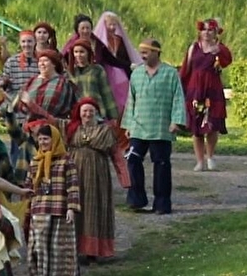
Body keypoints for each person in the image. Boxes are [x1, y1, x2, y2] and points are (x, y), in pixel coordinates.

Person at [124, 38, 187, 214]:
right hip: (139, 127)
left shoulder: (170, 73)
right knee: (132, 159)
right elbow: (131, 100)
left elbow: (178, 98)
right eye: (141, 52)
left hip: (161, 127)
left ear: (156, 52)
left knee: (161, 165)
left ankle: (162, 204)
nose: (142, 56)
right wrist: (128, 124)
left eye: (146, 52)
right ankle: (136, 199)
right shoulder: (136, 74)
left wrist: (176, 121)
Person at [25, 122, 82, 276]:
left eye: (46, 139)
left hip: (59, 209)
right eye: (40, 139)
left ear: (55, 140)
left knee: (58, 250)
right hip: (40, 210)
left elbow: (73, 186)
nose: (43, 142)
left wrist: (71, 208)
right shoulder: (35, 161)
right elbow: (29, 186)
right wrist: (27, 207)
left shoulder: (66, 161)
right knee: (38, 249)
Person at [67, 98, 119, 262]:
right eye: (85, 111)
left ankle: (93, 251)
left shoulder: (105, 130)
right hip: (75, 172)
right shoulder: (72, 128)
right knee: (76, 206)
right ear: (79, 112)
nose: (88, 114)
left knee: (94, 207)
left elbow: (116, 154)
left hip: (97, 174)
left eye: (91, 111)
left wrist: (125, 179)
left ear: (96, 113)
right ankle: (75, 248)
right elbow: (50, 121)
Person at [180, 18, 233, 172]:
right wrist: (180, 86)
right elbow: (186, 69)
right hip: (196, 90)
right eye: (204, 29)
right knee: (196, 127)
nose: (207, 33)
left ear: (216, 32)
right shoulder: (193, 48)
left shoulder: (220, 49)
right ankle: (199, 161)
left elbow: (227, 61)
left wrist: (219, 51)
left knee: (212, 125)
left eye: (210, 30)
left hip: (212, 90)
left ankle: (210, 157)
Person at [0, 31, 41, 160]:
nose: (26, 44)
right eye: (23, 41)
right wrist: (4, 83)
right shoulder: (12, 62)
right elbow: (2, 83)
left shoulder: (41, 61)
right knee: (17, 147)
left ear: (35, 42)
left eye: (29, 41)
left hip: (35, 109)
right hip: (17, 110)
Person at [17, 49, 79, 130]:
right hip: (30, 129)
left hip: (53, 129)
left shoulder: (63, 83)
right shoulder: (31, 81)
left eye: (45, 61)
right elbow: (20, 106)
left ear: (54, 64)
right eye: (40, 61)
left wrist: (31, 105)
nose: (42, 64)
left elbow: (64, 109)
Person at [92, 12, 136, 116]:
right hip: (107, 71)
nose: (112, 27)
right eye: (110, 24)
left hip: (121, 72)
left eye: (114, 25)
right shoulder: (100, 42)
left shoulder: (118, 40)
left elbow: (124, 55)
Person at [66, 41, 118, 121]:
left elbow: (106, 92)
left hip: (96, 112)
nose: (78, 55)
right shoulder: (70, 72)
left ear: (88, 53)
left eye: (82, 52)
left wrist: (114, 116)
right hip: (78, 113)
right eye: (76, 52)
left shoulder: (97, 69)